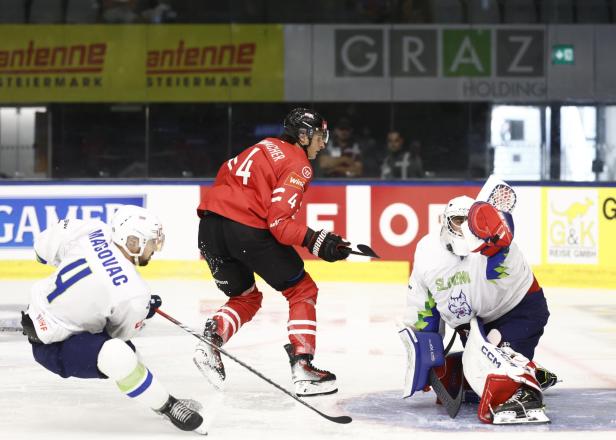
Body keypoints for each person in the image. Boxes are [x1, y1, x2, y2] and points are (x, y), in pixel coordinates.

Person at [194, 108, 350, 396]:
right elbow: (278, 224)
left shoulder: (261, 146)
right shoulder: (298, 163)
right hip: (246, 228)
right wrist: (317, 240)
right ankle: (303, 368)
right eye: (319, 135)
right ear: (303, 136)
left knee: (245, 298)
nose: (323, 142)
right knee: (302, 290)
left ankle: (212, 339)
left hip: (210, 229)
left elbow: (224, 178)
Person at [20, 206, 207, 434]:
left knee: (124, 356)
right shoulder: (135, 293)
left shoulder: (92, 230)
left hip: (36, 310)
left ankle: (153, 394)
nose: (154, 249)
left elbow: (42, 248)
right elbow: (120, 337)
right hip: (54, 348)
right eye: (150, 243)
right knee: (121, 356)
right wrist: (142, 310)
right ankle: (165, 405)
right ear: (132, 242)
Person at [399, 185, 557, 425]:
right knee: (478, 368)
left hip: (517, 313)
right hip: (473, 325)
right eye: (457, 220)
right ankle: (527, 367)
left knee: (494, 357)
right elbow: (423, 306)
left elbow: (500, 260)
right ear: (444, 221)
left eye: (468, 221)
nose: (463, 227)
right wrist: (426, 355)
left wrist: (494, 241)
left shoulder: (498, 246)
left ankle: (526, 392)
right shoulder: (427, 252)